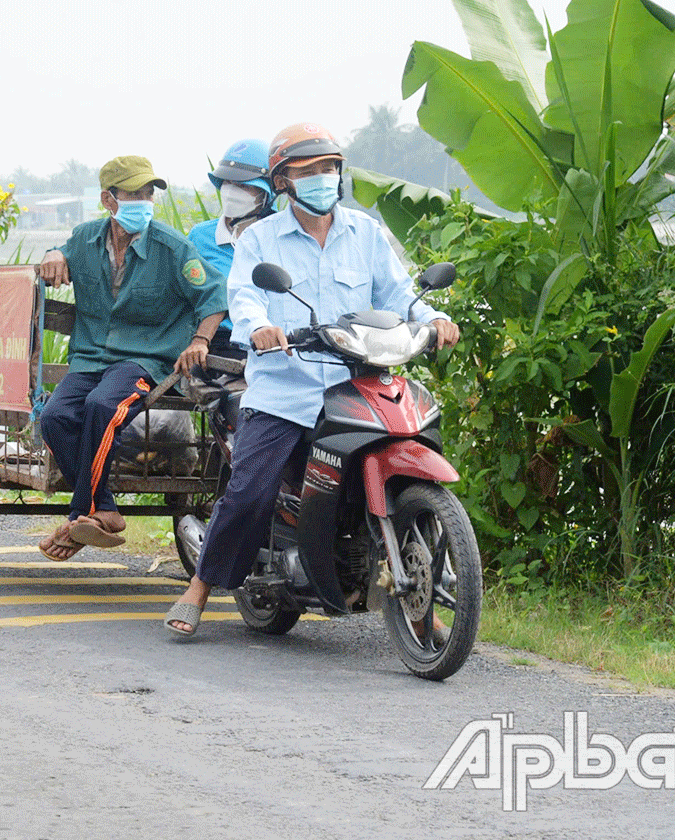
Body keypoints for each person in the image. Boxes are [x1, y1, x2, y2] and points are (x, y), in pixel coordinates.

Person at [164, 123, 462, 636]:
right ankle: (201, 587)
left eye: (329, 169)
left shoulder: (365, 234)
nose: (323, 179)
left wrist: (431, 317)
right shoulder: (260, 239)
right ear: (282, 183)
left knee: (402, 460)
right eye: (308, 172)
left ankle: (421, 602)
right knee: (251, 491)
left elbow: (399, 295)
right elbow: (245, 296)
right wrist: (259, 327)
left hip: (356, 386)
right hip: (285, 391)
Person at [36, 155, 228, 561]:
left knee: (102, 405)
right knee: (53, 417)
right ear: (108, 199)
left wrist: (200, 339)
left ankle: (82, 515)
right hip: (90, 358)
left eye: (148, 194)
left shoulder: (172, 247)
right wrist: (55, 253)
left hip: (145, 360)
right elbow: (62, 254)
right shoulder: (86, 238)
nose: (144, 201)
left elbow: (214, 296)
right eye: (134, 194)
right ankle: (102, 505)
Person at [187, 139, 276, 356]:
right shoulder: (201, 236)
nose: (233, 191)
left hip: (271, 341)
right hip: (217, 341)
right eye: (228, 183)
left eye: (245, 186)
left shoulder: (279, 235)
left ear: (267, 194)